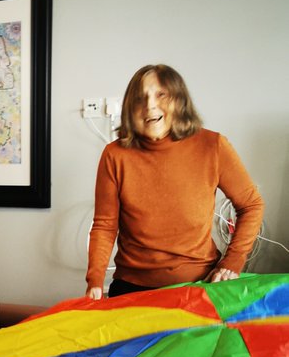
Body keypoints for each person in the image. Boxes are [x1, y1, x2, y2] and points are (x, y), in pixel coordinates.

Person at [86, 63, 264, 299]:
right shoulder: (114, 154)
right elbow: (105, 225)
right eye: (140, 98)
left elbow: (251, 205)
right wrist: (95, 280)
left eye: (161, 95)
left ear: (179, 101)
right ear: (130, 108)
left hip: (199, 285)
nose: (150, 105)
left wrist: (233, 260)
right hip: (131, 287)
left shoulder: (213, 146)